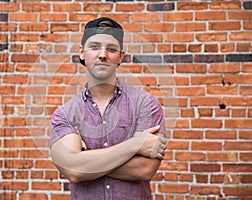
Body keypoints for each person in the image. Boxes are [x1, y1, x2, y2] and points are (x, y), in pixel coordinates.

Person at [50, 17, 167, 200]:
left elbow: (144, 169)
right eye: (95, 47)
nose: (103, 54)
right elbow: (74, 171)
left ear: (121, 56)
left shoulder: (146, 105)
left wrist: (85, 159)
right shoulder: (65, 114)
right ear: (82, 53)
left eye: (111, 49)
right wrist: (134, 144)